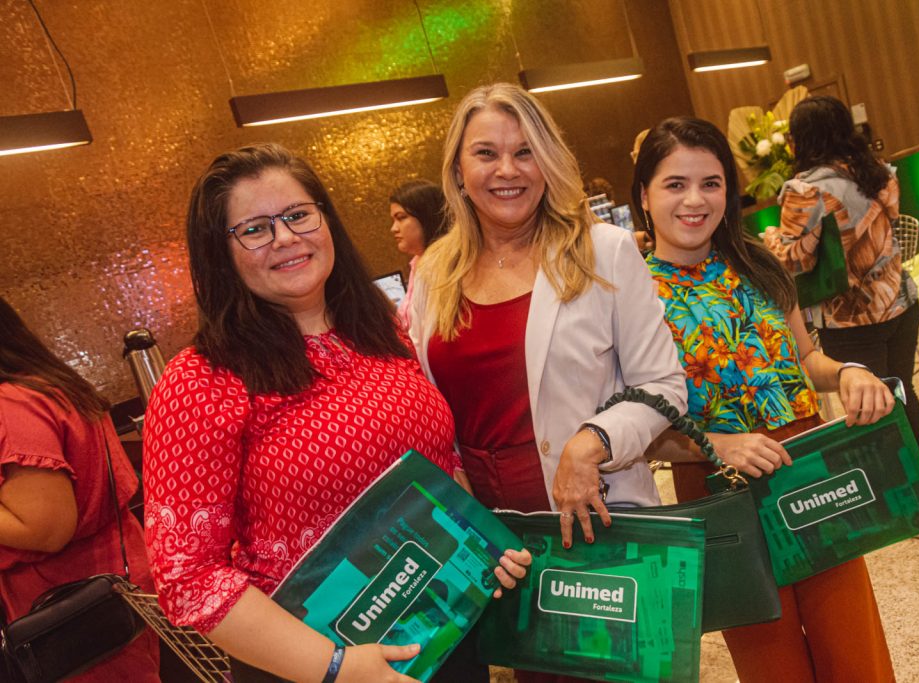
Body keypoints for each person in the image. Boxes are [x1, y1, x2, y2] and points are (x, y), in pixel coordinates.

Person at [143, 143, 529, 683]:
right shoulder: (201, 381)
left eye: (298, 215)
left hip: (438, 629)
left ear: (326, 221)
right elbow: (188, 577)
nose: (285, 238)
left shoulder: (381, 333)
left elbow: (438, 469)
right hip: (313, 662)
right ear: (219, 254)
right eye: (254, 229)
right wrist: (336, 666)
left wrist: (482, 543)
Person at [408, 84, 686, 683]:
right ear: (458, 169)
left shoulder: (602, 251)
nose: (507, 169)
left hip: (591, 517)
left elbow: (663, 384)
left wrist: (591, 442)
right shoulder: (432, 273)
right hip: (491, 537)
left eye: (525, 151)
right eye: (486, 153)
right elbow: (424, 398)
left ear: (549, 162)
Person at [633, 116, 896, 682]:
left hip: (807, 467)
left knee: (851, 639)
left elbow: (805, 359)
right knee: (769, 659)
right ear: (644, 195)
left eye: (711, 183)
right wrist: (716, 444)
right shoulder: (631, 297)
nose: (695, 200)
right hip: (719, 484)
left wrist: (848, 370)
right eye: (675, 185)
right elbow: (638, 427)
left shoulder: (760, 262)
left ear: (729, 189)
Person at [0, 297, 160, 682]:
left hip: (69, 608)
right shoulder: (44, 386)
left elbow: (46, 528)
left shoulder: (11, 405)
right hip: (105, 592)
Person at [762, 95, 919, 458]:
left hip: (852, 316)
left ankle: (891, 494)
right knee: (902, 393)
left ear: (800, 139)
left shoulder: (805, 189)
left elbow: (794, 260)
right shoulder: (876, 170)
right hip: (900, 301)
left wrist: (771, 236)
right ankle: (918, 481)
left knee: (869, 410)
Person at [389, 179, 448, 329]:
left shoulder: (443, 265)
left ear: (427, 217)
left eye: (401, 218)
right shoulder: (419, 260)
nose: (394, 228)